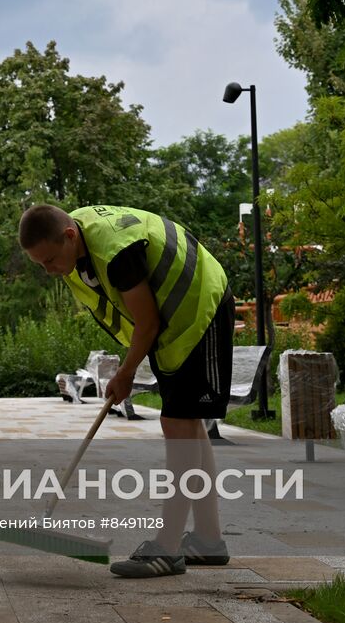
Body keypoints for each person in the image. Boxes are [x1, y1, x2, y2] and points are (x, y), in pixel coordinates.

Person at [19, 204, 235, 578]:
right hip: (173, 324)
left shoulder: (116, 252)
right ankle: (208, 539)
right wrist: (129, 364)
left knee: (178, 423)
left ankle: (168, 548)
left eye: (51, 260)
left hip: (199, 307)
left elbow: (148, 321)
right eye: (41, 265)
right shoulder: (77, 251)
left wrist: (126, 371)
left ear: (69, 235)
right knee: (187, 424)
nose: (50, 270)